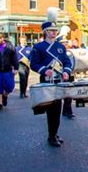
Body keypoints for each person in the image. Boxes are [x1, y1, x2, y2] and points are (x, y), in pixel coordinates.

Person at [30, 16, 72, 147]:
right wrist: (44, 70)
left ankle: (54, 132)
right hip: (47, 80)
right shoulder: (38, 47)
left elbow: (67, 61)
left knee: (58, 108)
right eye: (51, 30)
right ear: (45, 32)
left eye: (55, 30)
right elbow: (33, 64)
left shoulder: (60, 46)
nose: (54, 32)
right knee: (51, 109)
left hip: (59, 80)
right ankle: (51, 134)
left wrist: (66, 71)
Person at [58, 36, 76, 119]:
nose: (65, 44)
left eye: (66, 42)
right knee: (58, 96)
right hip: (58, 76)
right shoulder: (57, 53)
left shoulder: (71, 52)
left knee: (69, 94)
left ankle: (67, 111)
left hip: (69, 74)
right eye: (62, 43)